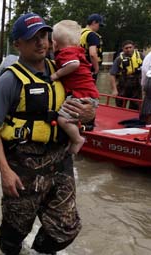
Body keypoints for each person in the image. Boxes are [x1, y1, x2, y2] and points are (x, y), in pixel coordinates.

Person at [0, 13, 96, 255]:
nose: (41, 42)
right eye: (32, 38)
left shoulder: (64, 71)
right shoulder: (9, 80)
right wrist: (4, 170)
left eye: (44, 36)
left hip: (60, 160)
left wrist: (89, 114)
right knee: (14, 234)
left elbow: (86, 104)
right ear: (18, 44)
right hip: (23, 166)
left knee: (65, 228)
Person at [50, 19, 99, 154]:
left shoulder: (66, 54)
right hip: (88, 93)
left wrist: (56, 74)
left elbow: (74, 64)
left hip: (82, 95)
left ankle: (77, 139)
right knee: (69, 118)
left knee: (63, 119)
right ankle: (74, 139)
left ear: (54, 43)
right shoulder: (76, 51)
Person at [109, 40, 144, 110]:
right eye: (126, 48)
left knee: (135, 108)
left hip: (136, 86)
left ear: (134, 47)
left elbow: (147, 71)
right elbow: (112, 74)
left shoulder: (141, 56)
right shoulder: (119, 59)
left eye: (130, 47)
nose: (128, 50)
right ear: (123, 49)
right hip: (123, 85)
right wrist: (114, 90)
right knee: (120, 107)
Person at [80, 13, 105, 78]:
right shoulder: (92, 35)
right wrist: (96, 69)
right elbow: (92, 54)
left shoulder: (80, 33)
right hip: (90, 69)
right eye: (99, 25)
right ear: (94, 22)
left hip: (80, 66)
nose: (99, 27)